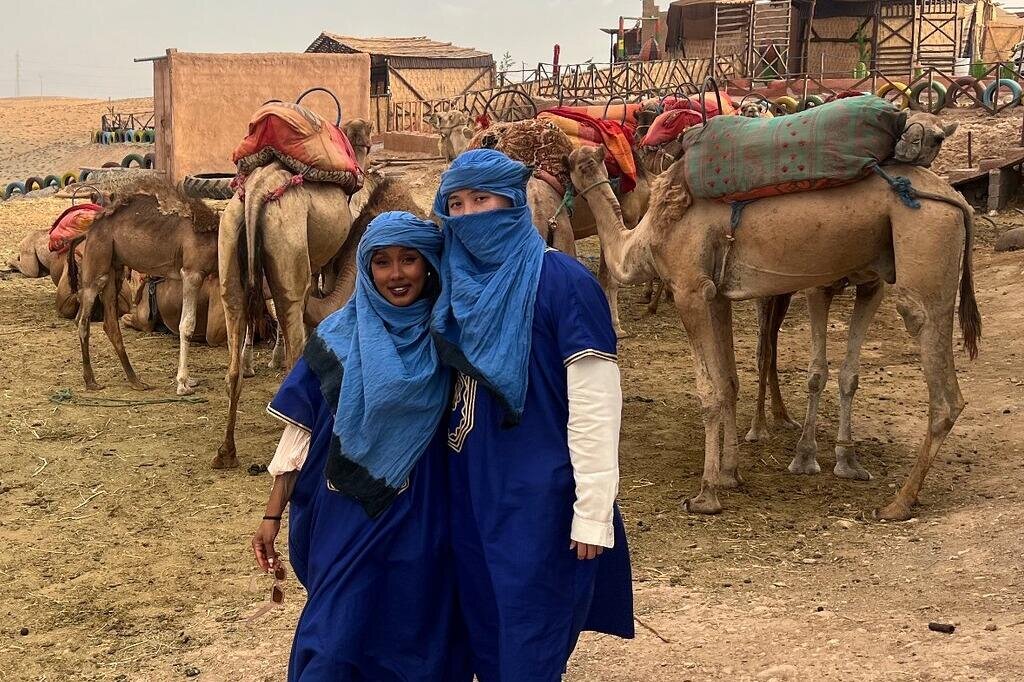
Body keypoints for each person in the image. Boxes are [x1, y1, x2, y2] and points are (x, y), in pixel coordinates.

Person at [431, 148, 635, 681]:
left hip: (539, 499)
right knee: (482, 638)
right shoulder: (451, 287)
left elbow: (596, 401)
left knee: (531, 643)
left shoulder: (563, 282)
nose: (468, 215)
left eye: (482, 200)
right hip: (466, 491)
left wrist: (593, 510)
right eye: (456, 203)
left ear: (512, 202)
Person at [251, 211, 471, 682]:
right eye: (382, 262)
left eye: (409, 259)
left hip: (422, 514)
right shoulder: (336, 337)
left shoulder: (448, 338)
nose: (396, 274)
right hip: (345, 513)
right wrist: (272, 515)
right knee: (333, 637)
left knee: (414, 629)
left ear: (429, 265)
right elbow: (300, 434)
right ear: (367, 270)